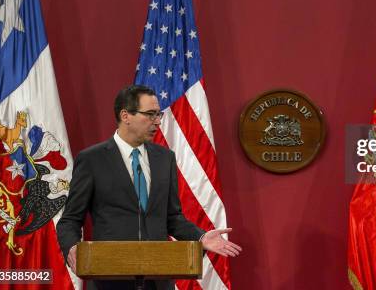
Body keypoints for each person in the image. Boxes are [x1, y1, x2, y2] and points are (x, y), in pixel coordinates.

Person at [57, 85, 241, 290]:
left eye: (159, 114)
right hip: (109, 280)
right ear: (125, 115)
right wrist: (73, 248)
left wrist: (200, 236)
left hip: (158, 280)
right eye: (150, 114)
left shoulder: (165, 158)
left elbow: (172, 218)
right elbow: (70, 219)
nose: (158, 121)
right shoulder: (92, 159)